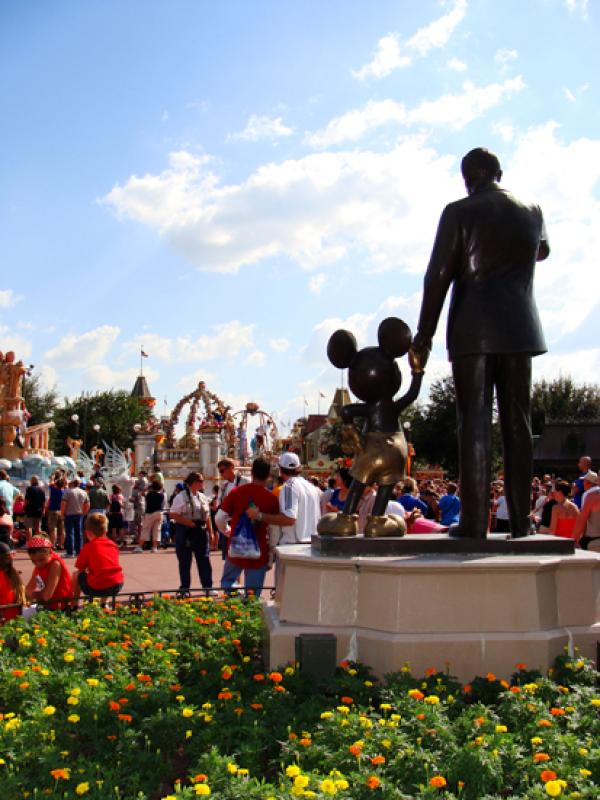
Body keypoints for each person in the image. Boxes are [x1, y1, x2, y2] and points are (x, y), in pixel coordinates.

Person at [410, 147, 549, 538]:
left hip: (474, 326)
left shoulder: (459, 211)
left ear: (467, 177)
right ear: (499, 173)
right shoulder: (532, 209)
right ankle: (521, 522)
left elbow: (437, 275)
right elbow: (542, 250)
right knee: (517, 422)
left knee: (473, 421)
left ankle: (473, 523)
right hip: (521, 326)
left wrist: (424, 334)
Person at [216, 457, 280, 595]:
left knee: (228, 583)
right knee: (252, 594)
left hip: (236, 546)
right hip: (259, 550)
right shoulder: (271, 498)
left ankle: (233, 605)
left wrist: (226, 530)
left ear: (251, 472)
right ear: (268, 475)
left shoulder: (236, 492)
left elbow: (219, 517)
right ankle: (249, 611)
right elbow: (274, 530)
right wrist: (271, 552)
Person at [246, 452, 321, 545]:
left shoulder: (289, 487)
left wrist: (259, 515)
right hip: (311, 545)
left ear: (280, 469)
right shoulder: (311, 487)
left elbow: (289, 519)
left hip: (294, 548)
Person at [170, 472, 216, 594]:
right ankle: (184, 588)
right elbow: (173, 514)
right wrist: (188, 523)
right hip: (185, 530)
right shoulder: (181, 497)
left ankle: (208, 587)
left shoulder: (202, 497)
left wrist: (210, 533)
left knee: (204, 559)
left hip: (200, 531)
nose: (203, 483)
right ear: (193, 483)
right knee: (185, 560)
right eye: (200, 481)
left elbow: (207, 517)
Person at [72, 513, 124, 600]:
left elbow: (80, 567)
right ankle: (104, 603)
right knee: (107, 575)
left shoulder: (89, 546)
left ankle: (75, 604)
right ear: (106, 531)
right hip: (117, 584)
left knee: (76, 575)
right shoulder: (113, 545)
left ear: (87, 532)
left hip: (97, 586)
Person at [25, 536, 73, 609]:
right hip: (48, 605)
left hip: (61, 607)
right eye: (33, 561)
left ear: (50, 552)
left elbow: (47, 596)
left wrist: (32, 595)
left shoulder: (55, 565)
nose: (38, 564)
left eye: (42, 560)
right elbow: (29, 588)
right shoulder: (39, 566)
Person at [61, 478, 90, 557]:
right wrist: (84, 513)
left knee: (70, 533)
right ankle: (78, 551)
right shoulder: (84, 492)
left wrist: (62, 514)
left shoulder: (68, 492)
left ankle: (70, 552)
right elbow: (87, 504)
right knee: (79, 533)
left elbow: (63, 503)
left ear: (73, 483)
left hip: (69, 514)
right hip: (79, 514)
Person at [138, 479, 166, 553]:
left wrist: (147, 487)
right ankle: (154, 547)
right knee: (157, 530)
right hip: (159, 513)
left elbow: (142, 493)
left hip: (150, 513)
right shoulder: (161, 495)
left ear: (152, 487)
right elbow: (161, 490)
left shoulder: (149, 494)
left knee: (145, 529)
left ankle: (140, 547)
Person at [46, 476, 65, 549]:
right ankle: (61, 544)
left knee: (53, 529)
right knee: (62, 529)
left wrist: (53, 477)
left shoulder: (54, 490)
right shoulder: (64, 491)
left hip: (53, 510)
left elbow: (50, 483)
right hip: (61, 511)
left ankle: (53, 545)